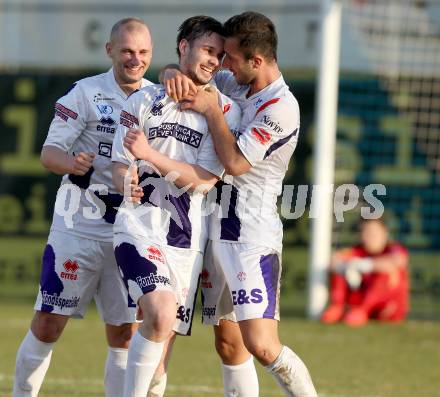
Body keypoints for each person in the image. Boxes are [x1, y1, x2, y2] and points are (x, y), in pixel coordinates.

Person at [164, 11, 318, 397]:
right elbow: (187, 71)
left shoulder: (281, 108)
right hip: (211, 227)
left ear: (257, 61)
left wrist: (213, 110)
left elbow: (234, 163)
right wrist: (170, 72)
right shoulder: (234, 80)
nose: (222, 65)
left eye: (230, 57)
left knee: (261, 344)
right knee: (228, 344)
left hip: (251, 236)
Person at [12, 18, 166, 397]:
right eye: (128, 51)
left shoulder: (156, 99)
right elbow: (49, 154)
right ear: (110, 50)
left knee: (123, 333)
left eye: (143, 52)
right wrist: (72, 164)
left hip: (128, 228)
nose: (135, 59)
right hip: (78, 222)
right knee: (49, 322)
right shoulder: (84, 93)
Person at [111, 15, 241, 397]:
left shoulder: (223, 111)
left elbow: (202, 179)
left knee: (161, 350)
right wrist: (126, 181)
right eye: (207, 50)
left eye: (219, 54)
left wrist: (150, 154)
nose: (214, 60)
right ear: (183, 46)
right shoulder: (143, 99)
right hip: (137, 228)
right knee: (160, 313)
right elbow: (121, 162)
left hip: (186, 241)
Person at [321, 218, 409, 327]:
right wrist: (347, 266)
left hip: (388, 308)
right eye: (366, 232)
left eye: (374, 232)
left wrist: (366, 265)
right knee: (340, 269)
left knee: (385, 272)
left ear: (384, 233)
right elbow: (334, 261)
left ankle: (362, 310)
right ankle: (337, 308)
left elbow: (398, 261)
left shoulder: (393, 249)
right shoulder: (357, 251)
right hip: (359, 303)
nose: (371, 236)